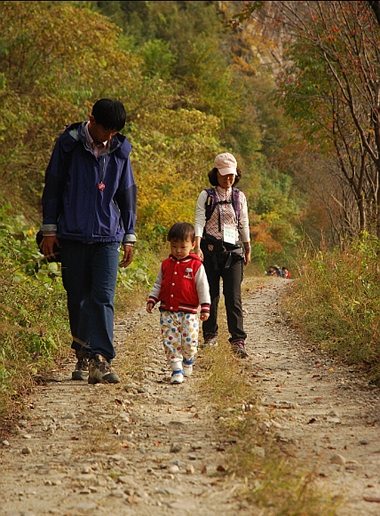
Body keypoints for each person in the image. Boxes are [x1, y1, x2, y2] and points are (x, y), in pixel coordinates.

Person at [40, 99, 137, 385]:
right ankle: (82, 352)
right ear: (91, 119)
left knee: (104, 296)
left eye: (113, 132)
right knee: (78, 297)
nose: (108, 137)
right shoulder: (68, 145)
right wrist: (49, 229)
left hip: (108, 235)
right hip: (71, 233)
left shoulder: (120, 149)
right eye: (105, 130)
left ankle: (102, 359)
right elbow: (53, 184)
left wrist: (129, 234)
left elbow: (127, 191)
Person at [194, 152, 251, 358]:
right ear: (216, 173)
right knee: (210, 296)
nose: (228, 179)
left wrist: (247, 247)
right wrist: (197, 245)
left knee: (233, 297)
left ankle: (238, 340)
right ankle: (210, 337)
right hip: (209, 253)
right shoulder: (206, 196)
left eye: (232, 175)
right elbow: (199, 220)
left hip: (233, 253)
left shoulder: (239, 197)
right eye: (225, 174)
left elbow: (243, 223)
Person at [146, 222, 211, 384]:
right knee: (170, 340)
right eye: (174, 246)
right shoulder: (166, 264)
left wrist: (205, 306)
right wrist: (152, 299)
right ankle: (176, 369)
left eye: (183, 246)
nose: (178, 251)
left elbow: (203, 287)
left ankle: (188, 359)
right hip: (167, 310)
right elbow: (158, 283)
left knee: (189, 341)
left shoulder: (196, 265)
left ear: (192, 245)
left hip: (189, 312)